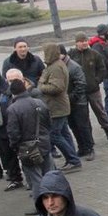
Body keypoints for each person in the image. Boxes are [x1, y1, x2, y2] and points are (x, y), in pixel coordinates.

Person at [5, 78, 53, 202]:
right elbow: (49, 123)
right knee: (49, 175)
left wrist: (15, 147)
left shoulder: (13, 109)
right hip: (44, 144)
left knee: (36, 178)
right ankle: (54, 198)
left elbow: (13, 133)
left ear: (13, 93)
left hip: (27, 149)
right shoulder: (39, 103)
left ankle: (40, 204)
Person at [38, 44, 83, 173]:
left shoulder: (56, 67)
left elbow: (57, 87)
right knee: (64, 133)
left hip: (57, 107)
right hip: (57, 106)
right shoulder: (54, 65)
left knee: (54, 135)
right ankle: (72, 159)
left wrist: (41, 86)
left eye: (45, 52)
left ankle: (73, 160)